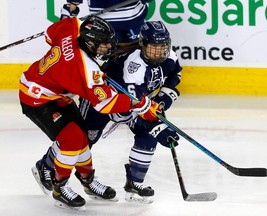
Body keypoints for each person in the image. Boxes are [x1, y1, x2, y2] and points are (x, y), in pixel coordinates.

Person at [19, 15, 161, 210]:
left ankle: (87, 180)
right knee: (73, 139)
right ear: (90, 43)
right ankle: (59, 187)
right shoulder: (85, 70)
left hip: (56, 94)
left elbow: (51, 34)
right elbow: (106, 104)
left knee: (83, 138)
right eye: (103, 45)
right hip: (37, 98)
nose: (108, 48)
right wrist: (138, 103)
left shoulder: (73, 27)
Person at [60, 0, 153, 55]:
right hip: (104, 27)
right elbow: (71, 6)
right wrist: (68, 14)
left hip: (134, 22)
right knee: (107, 62)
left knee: (138, 57)